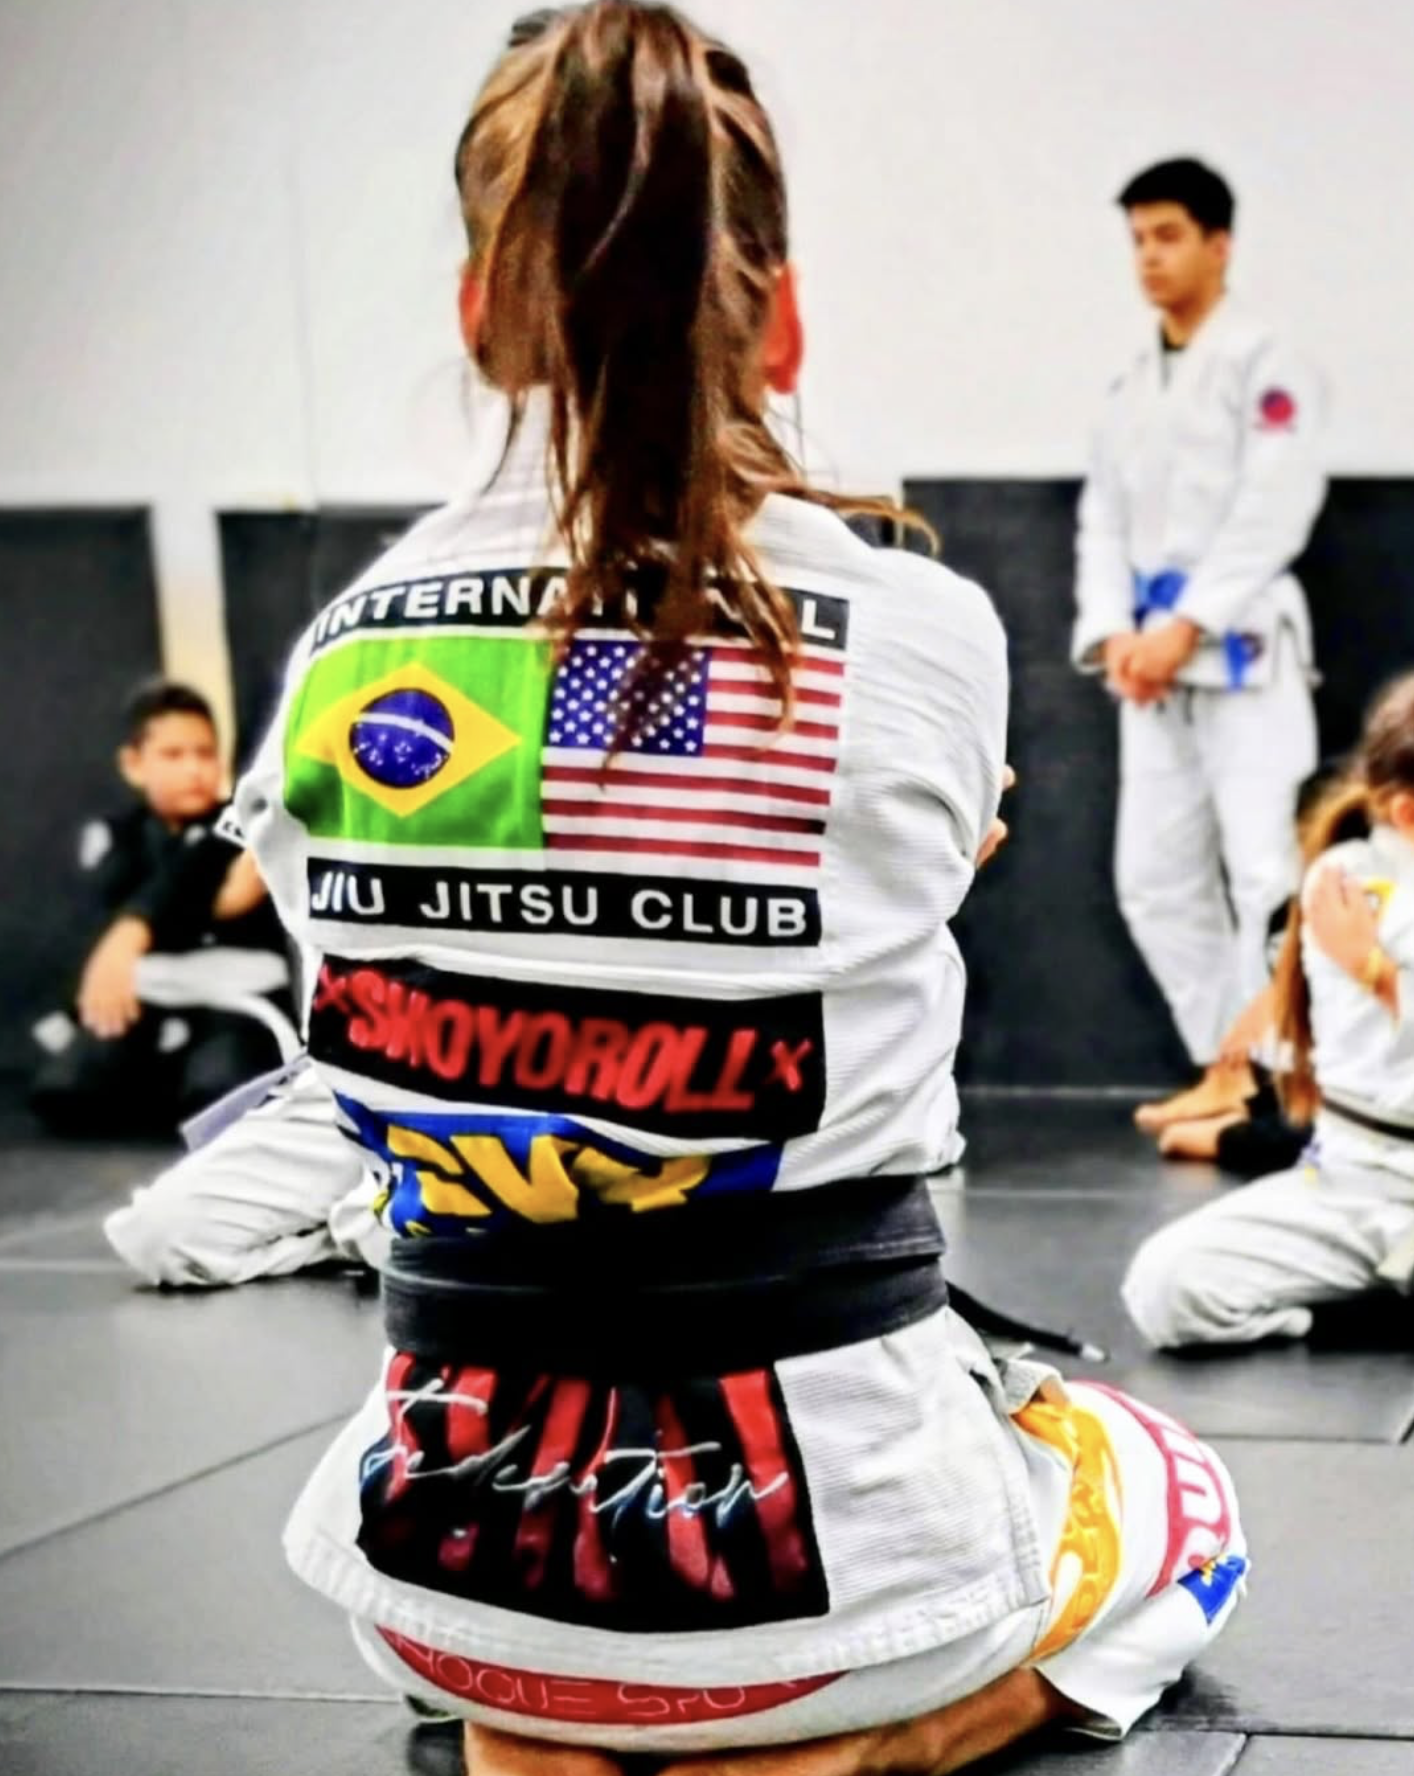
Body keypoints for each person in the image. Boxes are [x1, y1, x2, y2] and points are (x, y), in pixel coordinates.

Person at [237, 8, 1246, 1769]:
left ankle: (547, 1721)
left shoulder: (337, 656)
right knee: (1181, 1497)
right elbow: (889, 876)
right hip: (843, 1593)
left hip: (442, 1580)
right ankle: (879, 1741)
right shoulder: (920, 631)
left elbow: (391, 986)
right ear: (777, 318)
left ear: (480, 322)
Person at [1072, 157, 1326, 1136]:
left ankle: (1278, 1080)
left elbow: (1276, 507)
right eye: (1137, 238)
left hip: (1242, 653)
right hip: (1149, 672)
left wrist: (1188, 623)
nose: (1148, 257)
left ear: (1219, 244)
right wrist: (1117, 639)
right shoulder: (1128, 384)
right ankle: (1228, 1067)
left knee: (1262, 872)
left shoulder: (1268, 363)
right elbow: (1100, 524)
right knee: (1151, 878)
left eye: (1167, 235)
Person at [1124, 674, 1414, 1348]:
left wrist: (1377, 972)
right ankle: (1369, 1319)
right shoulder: (1344, 885)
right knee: (1168, 1286)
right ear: (1405, 815)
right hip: (1356, 1184)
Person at [30, 681, 293, 1136]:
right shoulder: (117, 836)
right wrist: (140, 930)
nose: (194, 769)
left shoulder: (238, 825)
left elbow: (227, 889)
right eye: (174, 755)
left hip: (235, 1001)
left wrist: (137, 931)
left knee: (221, 1090)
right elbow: (118, 901)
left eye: (205, 753)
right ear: (134, 765)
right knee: (70, 1091)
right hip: (145, 999)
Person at [103, 1052, 388, 1287]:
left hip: (427, 1085)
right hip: (358, 1075)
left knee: (399, 1242)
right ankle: (365, 1235)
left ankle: (387, 1232)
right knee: (158, 1233)